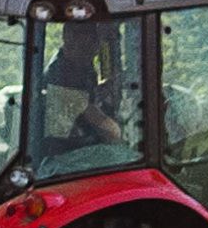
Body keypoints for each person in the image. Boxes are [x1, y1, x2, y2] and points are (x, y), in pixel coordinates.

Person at [34, 20, 134, 162]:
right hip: (66, 155)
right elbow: (110, 131)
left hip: (81, 143)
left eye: (96, 39)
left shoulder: (82, 67)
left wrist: (103, 90)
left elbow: (85, 103)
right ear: (68, 37)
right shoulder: (61, 75)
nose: (94, 47)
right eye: (87, 40)